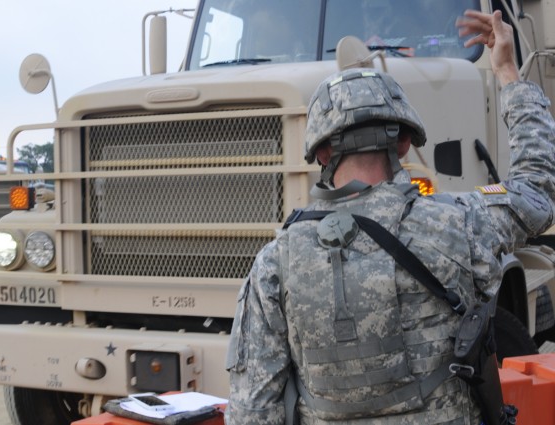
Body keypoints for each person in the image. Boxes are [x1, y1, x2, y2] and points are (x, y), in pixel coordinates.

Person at [225, 9, 555, 425]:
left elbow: (254, 412)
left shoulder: (274, 263)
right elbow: (537, 190)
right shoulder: (459, 224)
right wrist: (507, 70)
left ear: (323, 154)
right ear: (402, 145)